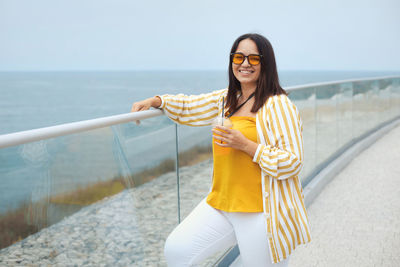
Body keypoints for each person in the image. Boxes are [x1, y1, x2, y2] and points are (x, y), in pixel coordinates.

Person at [131, 33, 311, 266]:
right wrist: (157, 101)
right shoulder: (228, 99)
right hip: (221, 204)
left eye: (253, 59)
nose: (245, 64)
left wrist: (245, 145)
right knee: (177, 250)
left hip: (260, 211)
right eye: (239, 57)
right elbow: (190, 106)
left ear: (265, 64)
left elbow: (292, 161)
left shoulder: (278, 105)